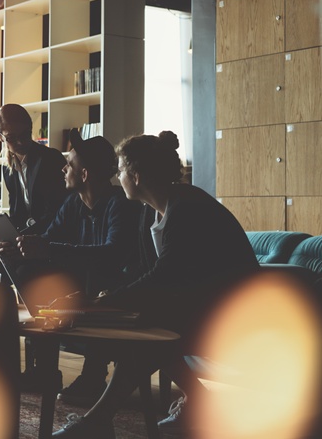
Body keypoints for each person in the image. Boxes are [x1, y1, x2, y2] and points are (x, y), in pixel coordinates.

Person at [51, 131, 259, 438]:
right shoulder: (151, 212)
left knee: (148, 330)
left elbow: (166, 276)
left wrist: (102, 303)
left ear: (135, 175)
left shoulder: (187, 207)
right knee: (145, 326)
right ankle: (192, 403)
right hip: (202, 307)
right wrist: (107, 297)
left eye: (120, 170)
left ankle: (99, 420)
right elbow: (145, 272)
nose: (117, 176)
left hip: (237, 315)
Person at [0, 128, 141, 405]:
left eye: (70, 164)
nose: (63, 169)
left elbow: (113, 256)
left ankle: (93, 375)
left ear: (84, 174)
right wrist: (18, 249)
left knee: (98, 274)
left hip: (115, 291)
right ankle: (44, 370)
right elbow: (49, 242)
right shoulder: (72, 203)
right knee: (27, 269)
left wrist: (47, 249)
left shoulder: (118, 204)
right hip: (83, 286)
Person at [0, 104, 68, 262]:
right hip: (23, 247)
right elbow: (17, 216)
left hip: (48, 246)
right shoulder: (8, 169)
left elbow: (55, 215)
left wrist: (8, 241)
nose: (20, 142)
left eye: (25, 135)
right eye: (12, 138)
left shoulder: (50, 159)